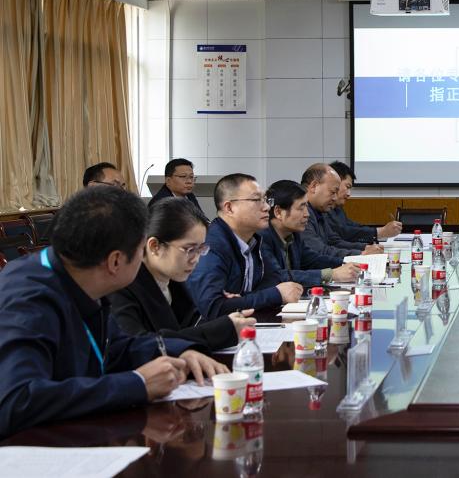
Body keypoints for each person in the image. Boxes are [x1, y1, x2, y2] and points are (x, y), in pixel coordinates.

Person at [0, 186, 227, 438]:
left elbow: (118, 347)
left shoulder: (84, 279)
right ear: (115, 261)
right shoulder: (27, 297)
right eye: (141, 251)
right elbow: (17, 401)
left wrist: (179, 351)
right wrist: (137, 384)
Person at [109, 198, 256, 351]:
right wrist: (220, 331)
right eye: (189, 249)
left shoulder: (174, 281)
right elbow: (139, 346)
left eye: (200, 249)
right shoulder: (124, 285)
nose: (196, 259)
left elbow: (190, 326)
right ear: (154, 246)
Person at [186, 173, 303, 319]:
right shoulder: (211, 246)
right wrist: (274, 295)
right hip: (210, 330)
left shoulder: (253, 239)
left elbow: (275, 279)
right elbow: (213, 307)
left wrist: (242, 300)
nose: (267, 207)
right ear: (229, 208)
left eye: (266, 200)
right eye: (256, 200)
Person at [260, 180, 359, 287]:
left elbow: (313, 260)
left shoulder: (293, 234)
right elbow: (278, 276)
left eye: (306, 207)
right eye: (301, 208)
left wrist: (349, 264)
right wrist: (332, 274)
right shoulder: (261, 238)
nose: (307, 214)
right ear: (278, 212)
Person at [301, 163, 380, 259]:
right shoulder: (302, 214)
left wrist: (364, 248)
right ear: (314, 186)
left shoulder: (319, 210)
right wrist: (361, 254)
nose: (335, 198)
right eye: (332, 192)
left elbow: (334, 241)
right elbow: (320, 251)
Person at [327, 161, 402, 245]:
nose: (349, 194)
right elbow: (343, 233)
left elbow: (352, 226)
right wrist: (379, 232)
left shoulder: (337, 207)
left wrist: (379, 231)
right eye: (347, 187)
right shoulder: (323, 208)